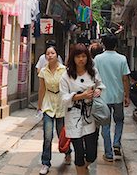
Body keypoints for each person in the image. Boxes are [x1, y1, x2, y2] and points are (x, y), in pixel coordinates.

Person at [60, 44, 105, 175]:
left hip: (89, 116)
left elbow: (100, 85)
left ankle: (84, 169)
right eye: (78, 56)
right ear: (73, 58)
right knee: (79, 152)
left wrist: (97, 90)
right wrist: (81, 96)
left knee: (91, 154)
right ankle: (81, 171)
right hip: (73, 117)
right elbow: (63, 98)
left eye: (84, 56)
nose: (81, 59)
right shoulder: (66, 76)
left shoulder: (93, 72)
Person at [93, 34, 130, 162]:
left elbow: (94, 77)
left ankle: (108, 153)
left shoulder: (98, 59)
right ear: (116, 44)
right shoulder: (122, 59)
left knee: (105, 125)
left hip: (103, 97)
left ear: (103, 44)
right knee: (119, 121)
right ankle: (116, 143)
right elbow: (125, 79)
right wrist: (127, 95)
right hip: (118, 96)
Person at [37, 45, 72, 175]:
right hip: (48, 104)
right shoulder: (43, 71)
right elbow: (41, 89)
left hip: (61, 104)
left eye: (52, 53)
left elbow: (69, 87)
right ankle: (45, 163)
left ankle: (68, 152)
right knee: (47, 136)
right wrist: (39, 106)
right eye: (48, 53)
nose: (50, 55)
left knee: (61, 134)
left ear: (57, 55)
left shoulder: (64, 70)